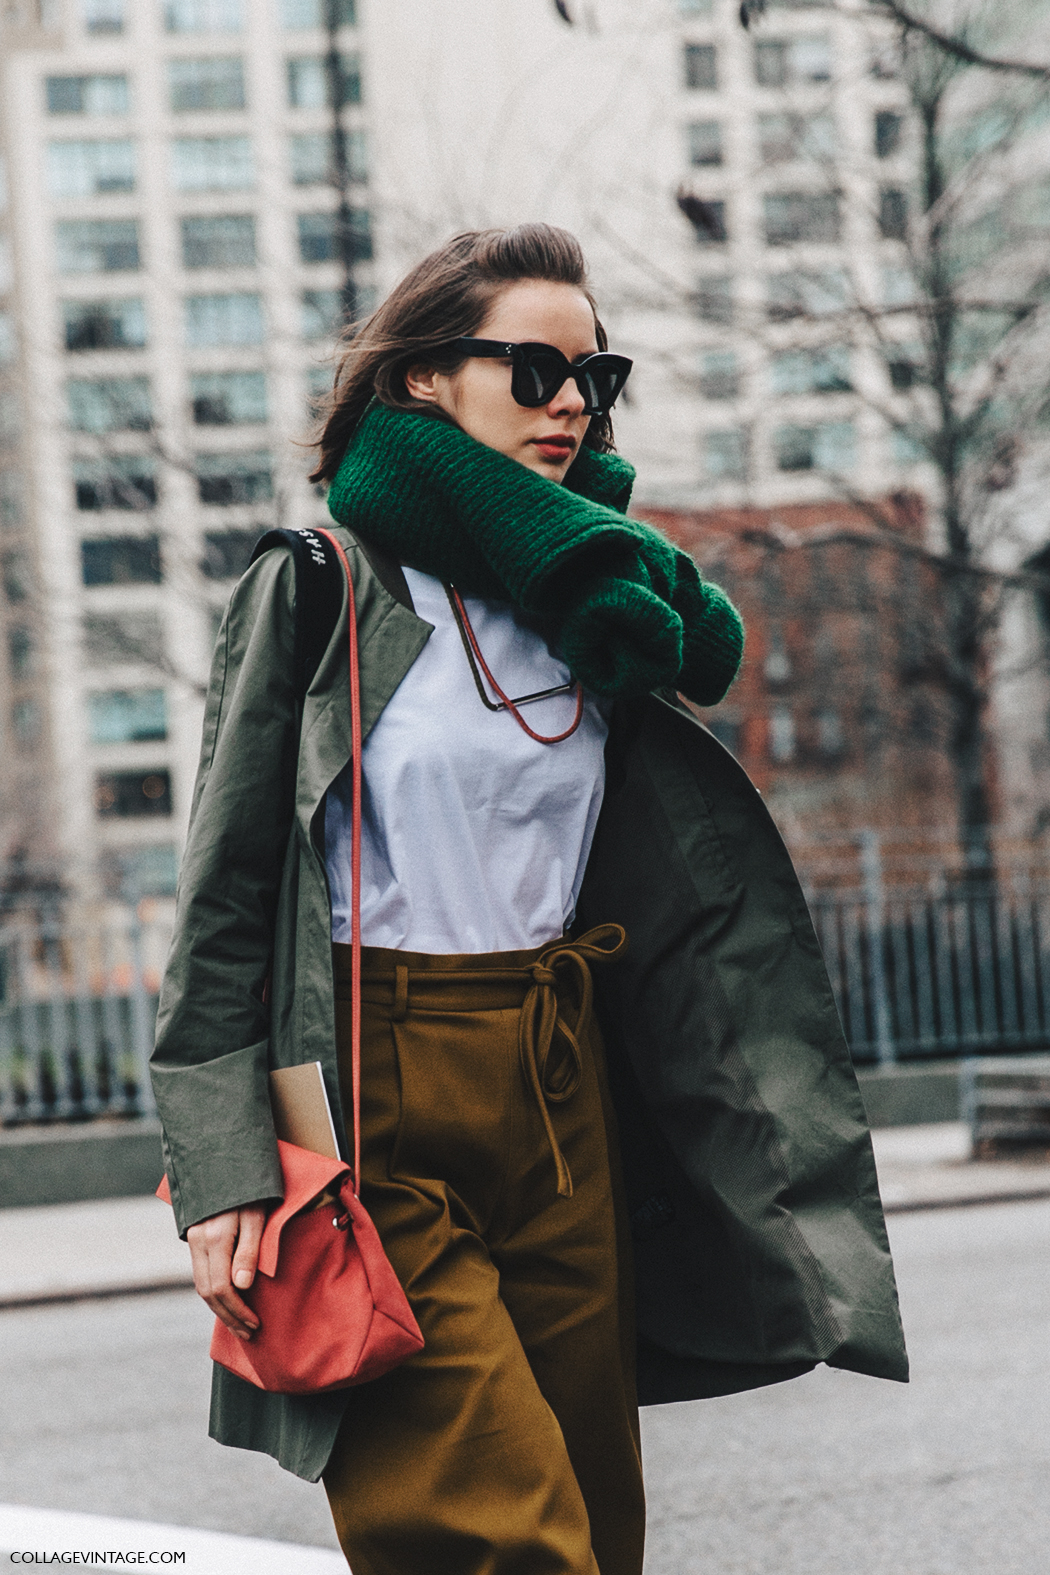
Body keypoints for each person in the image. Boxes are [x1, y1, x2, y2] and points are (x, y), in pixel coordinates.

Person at [151, 223, 907, 1575]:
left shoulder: (594, 603)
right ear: (425, 380)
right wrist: (220, 1180)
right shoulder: (323, 587)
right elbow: (225, 897)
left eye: (593, 377)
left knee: (595, 1530)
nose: (572, 403)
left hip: (561, 1090)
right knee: (495, 1540)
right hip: (374, 1092)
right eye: (536, 369)